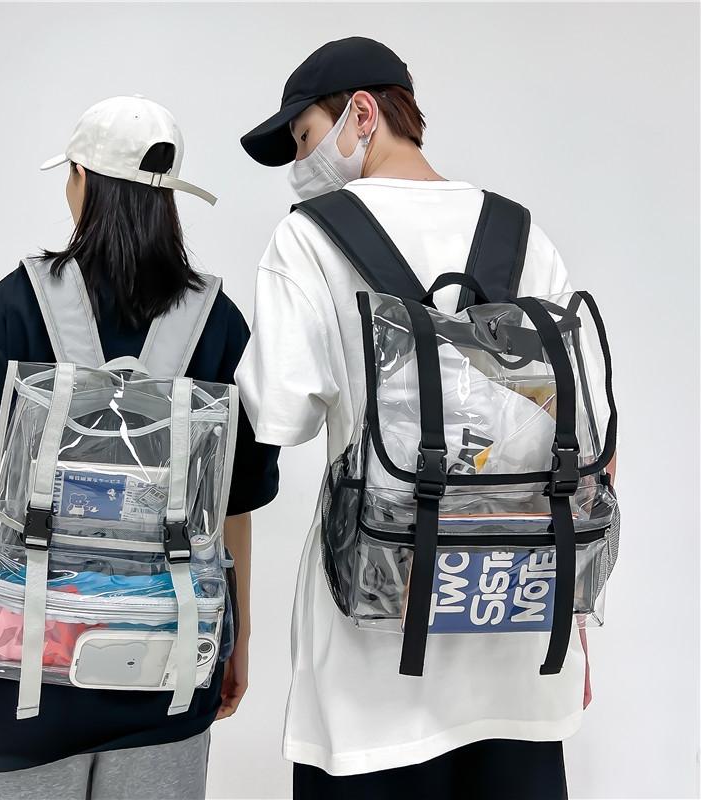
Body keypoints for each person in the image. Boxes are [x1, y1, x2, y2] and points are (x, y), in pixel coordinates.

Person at [237, 37, 615, 800]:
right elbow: (591, 445)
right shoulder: (521, 232)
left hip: (371, 671)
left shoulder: (308, 237)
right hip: (521, 649)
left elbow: (278, 413)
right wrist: (572, 620)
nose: (300, 165)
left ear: (363, 114)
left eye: (305, 138)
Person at [0, 94, 279, 800]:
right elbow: (234, 503)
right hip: (168, 677)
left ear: (81, 179)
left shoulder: (21, 301)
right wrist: (234, 639)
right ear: (169, 200)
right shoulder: (219, 321)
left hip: (27, 671)